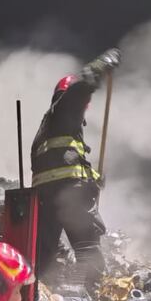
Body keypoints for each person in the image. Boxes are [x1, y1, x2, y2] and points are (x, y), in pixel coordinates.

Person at [31, 47, 121, 288]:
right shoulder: (65, 105)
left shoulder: (46, 130)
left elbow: (59, 164)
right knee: (88, 248)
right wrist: (104, 63)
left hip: (45, 198)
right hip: (69, 194)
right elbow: (81, 86)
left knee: (45, 254)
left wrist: (92, 177)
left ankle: (42, 297)